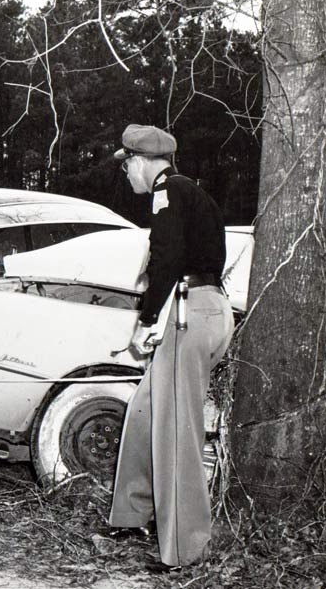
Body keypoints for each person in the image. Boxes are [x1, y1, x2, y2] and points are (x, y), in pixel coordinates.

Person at [104, 124, 235, 572]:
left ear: (139, 162)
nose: (127, 178)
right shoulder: (189, 192)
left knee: (176, 430)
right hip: (209, 309)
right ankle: (132, 514)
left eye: (127, 169)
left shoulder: (166, 193)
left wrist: (144, 320)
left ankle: (184, 547)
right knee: (145, 411)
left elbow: (168, 261)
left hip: (189, 314)